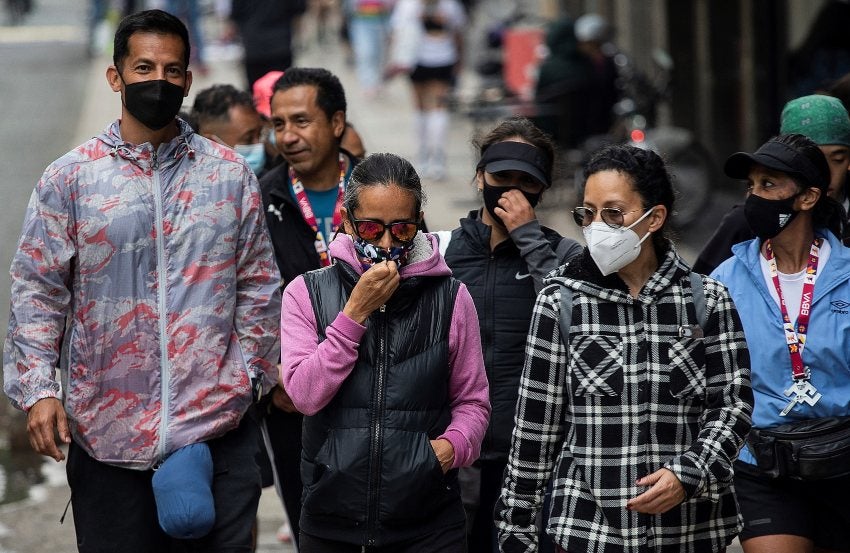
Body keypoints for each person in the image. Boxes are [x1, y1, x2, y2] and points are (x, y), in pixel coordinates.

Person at [2, 10, 281, 552]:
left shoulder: (228, 175)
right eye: (145, 67)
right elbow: (37, 292)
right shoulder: (71, 178)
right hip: (107, 439)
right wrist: (39, 390)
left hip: (216, 434)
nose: (160, 81)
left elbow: (258, 285)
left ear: (188, 79)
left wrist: (249, 375)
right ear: (116, 77)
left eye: (173, 70)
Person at [495, 143, 754, 553]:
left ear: (655, 218)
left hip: (690, 532)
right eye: (588, 213)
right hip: (588, 532)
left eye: (613, 213)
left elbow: (733, 404)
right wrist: (516, 529)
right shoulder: (561, 301)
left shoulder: (708, 301)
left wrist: (690, 472)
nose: (598, 226)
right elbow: (535, 428)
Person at [280, 152, 491, 550]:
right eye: (372, 229)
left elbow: (474, 403)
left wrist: (447, 451)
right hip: (332, 521)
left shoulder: (451, 298)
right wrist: (353, 315)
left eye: (403, 229)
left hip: (429, 523)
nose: (388, 242)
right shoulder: (305, 293)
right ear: (347, 220)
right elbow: (304, 396)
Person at [436, 116, 581, 553]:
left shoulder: (565, 256)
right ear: (480, 176)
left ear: (543, 187)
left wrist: (529, 239)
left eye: (526, 181)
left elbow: (578, 327)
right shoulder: (440, 251)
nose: (511, 191)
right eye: (502, 177)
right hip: (456, 450)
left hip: (534, 457)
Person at [711, 133, 850, 553]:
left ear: (807, 198)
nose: (755, 196)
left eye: (769, 185)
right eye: (752, 186)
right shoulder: (725, 280)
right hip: (761, 467)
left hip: (843, 464)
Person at [257, 66, 361, 547]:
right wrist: (268, 376)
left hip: (372, 395)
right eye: (278, 124)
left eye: (301, 121)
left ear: (337, 122)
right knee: (310, 530)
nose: (287, 136)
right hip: (291, 399)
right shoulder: (259, 197)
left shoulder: (380, 187)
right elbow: (238, 299)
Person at [693, 94, 850, 274]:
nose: (825, 173)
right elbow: (698, 289)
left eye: (837, 158)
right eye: (810, 162)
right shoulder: (746, 222)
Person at [389, 0, 466, 180]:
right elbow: (458, 32)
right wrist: (460, 59)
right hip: (444, 58)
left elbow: (397, 33)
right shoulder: (450, 5)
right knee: (439, 108)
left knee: (420, 107)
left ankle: (423, 158)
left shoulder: (407, 4)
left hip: (416, 59)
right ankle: (438, 161)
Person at [191, 83, 269, 176]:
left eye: (260, 135)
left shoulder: (272, 182)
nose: (259, 145)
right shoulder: (186, 186)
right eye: (248, 139)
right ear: (210, 144)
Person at [229, 0, 308, 89]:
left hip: (254, 45)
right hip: (280, 45)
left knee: (256, 93)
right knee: (282, 90)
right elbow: (298, 11)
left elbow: (235, 15)